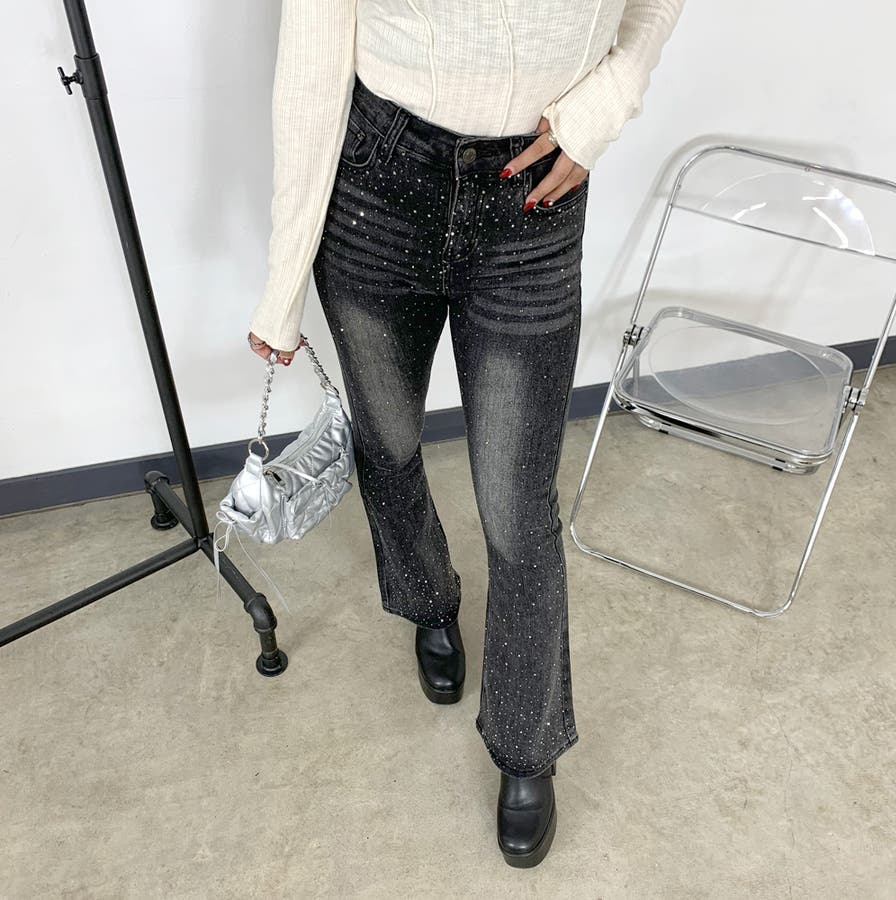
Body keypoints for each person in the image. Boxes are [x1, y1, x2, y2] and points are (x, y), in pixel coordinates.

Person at [247, 0, 685, 868]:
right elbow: (314, 52)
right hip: (378, 181)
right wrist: (284, 277)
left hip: (535, 189)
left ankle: (527, 746)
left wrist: (607, 101)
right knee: (387, 441)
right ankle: (427, 600)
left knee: (518, 508)